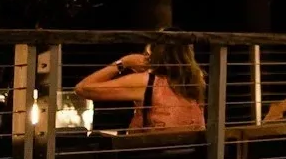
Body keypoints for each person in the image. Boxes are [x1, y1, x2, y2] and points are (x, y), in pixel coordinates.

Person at [74, 42, 207, 131]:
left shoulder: (148, 82)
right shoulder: (197, 81)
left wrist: (123, 63)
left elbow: (82, 88)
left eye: (147, 55)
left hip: (149, 158)